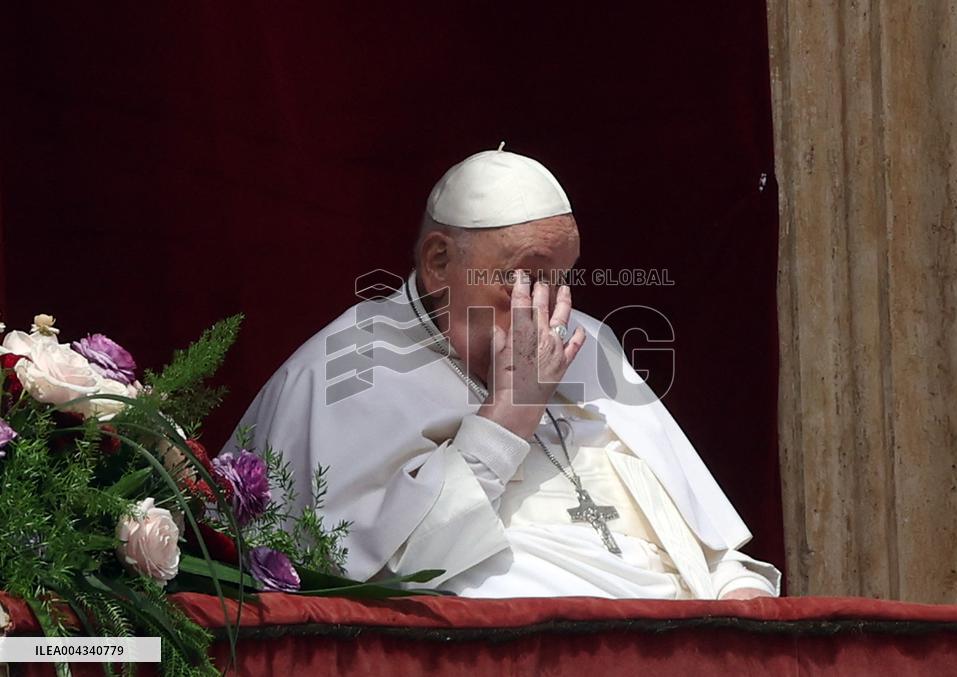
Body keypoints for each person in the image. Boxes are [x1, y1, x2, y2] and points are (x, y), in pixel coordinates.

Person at [225, 146, 780, 599]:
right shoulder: (346, 367)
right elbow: (371, 583)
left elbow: (697, 531)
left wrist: (734, 587)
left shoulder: (588, 341)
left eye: (560, 281)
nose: (544, 312)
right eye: (523, 279)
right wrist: (507, 417)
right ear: (439, 262)